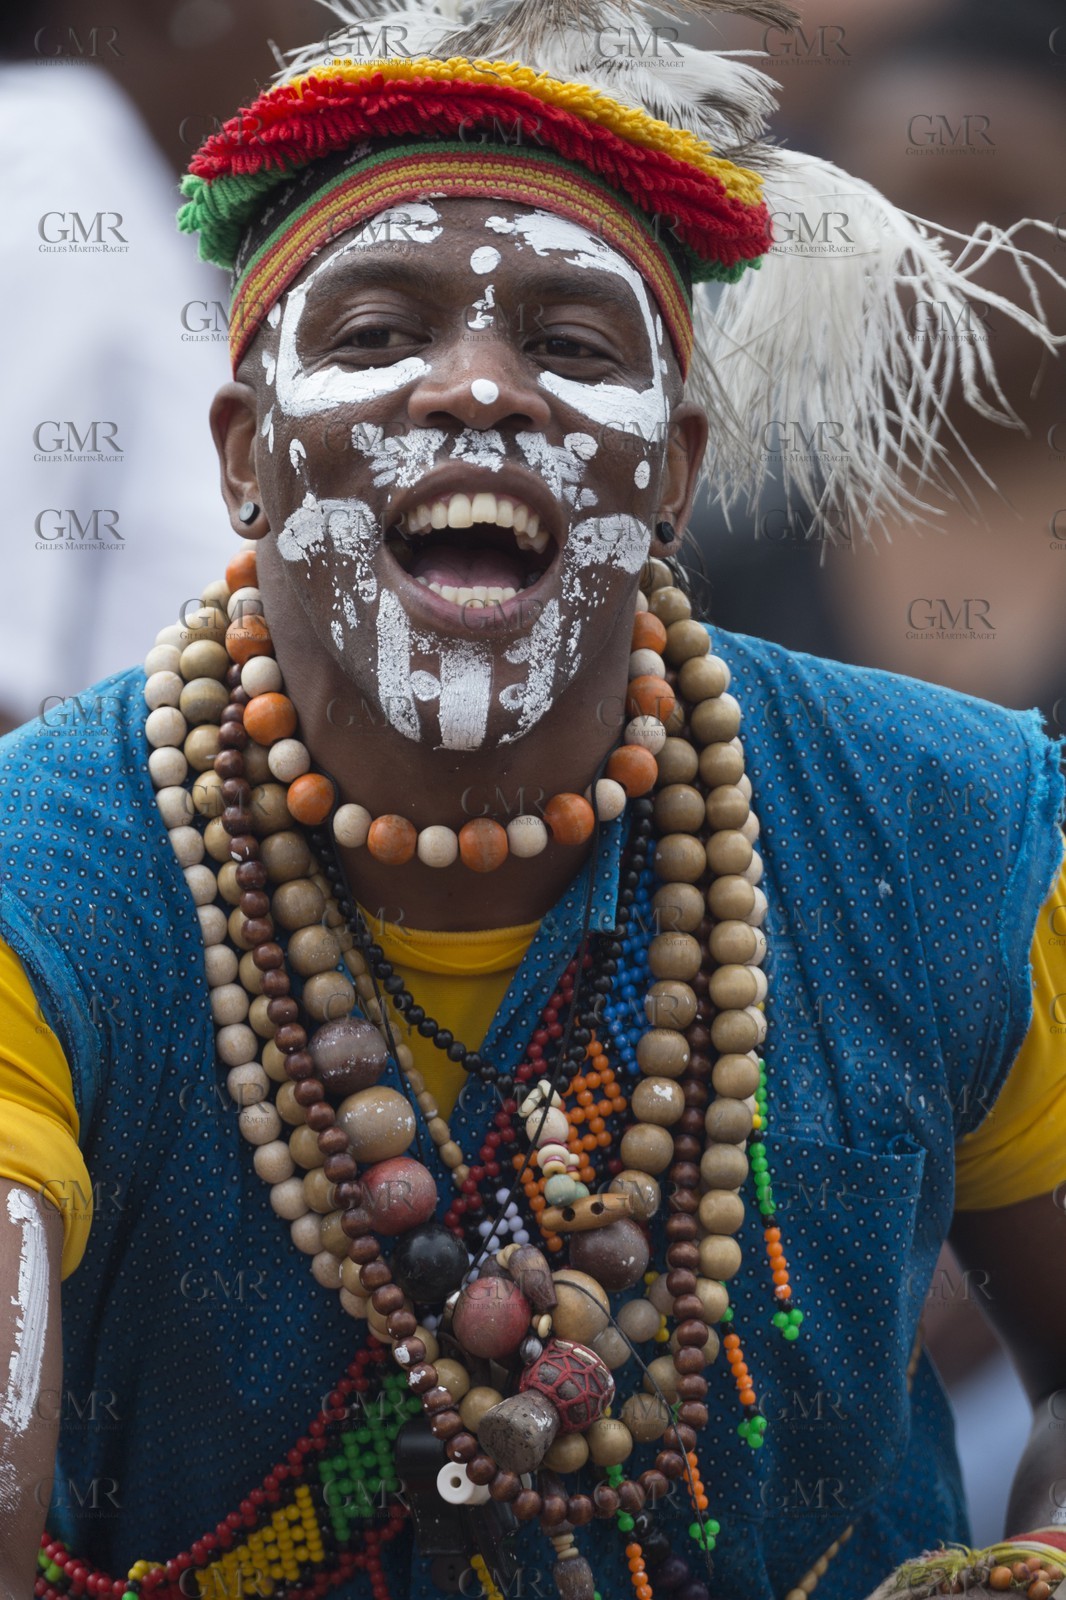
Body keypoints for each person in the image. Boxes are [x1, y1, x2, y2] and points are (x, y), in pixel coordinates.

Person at [0, 4, 1064, 1600]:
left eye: (571, 347)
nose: (475, 391)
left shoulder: (945, 828)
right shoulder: (43, 880)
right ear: (243, 458)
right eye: (372, 338)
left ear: (676, 474)